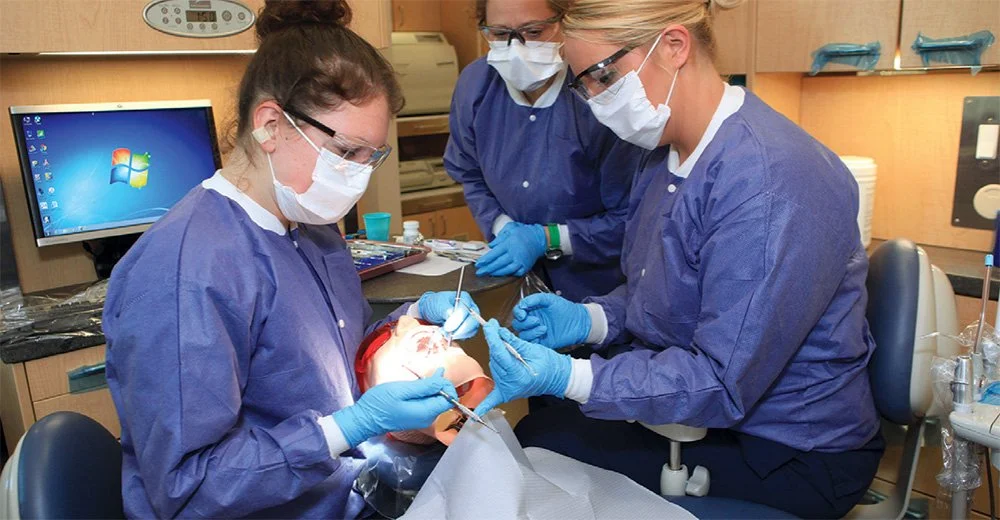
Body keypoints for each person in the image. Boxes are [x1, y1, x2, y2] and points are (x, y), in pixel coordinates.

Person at [473, 0, 884, 517]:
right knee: (535, 434)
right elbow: (665, 286)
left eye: (604, 76)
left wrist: (568, 377)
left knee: (537, 459)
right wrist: (591, 319)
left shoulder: (771, 180)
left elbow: (720, 378)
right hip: (707, 416)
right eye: (584, 84)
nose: (595, 101)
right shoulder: (665, 153)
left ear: (673, 46)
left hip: (789, 449)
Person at [102, 2, 481, 517]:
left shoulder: (309, 226)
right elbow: (188, 487)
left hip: (345, 489)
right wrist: (344, 428)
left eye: (372, 156)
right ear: (271, 125)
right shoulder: (186, 272)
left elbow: (310, 356)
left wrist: (410, 325)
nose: (358, 175)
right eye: (346, 152)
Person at [446, 0, 639, 302]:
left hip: (604, 293)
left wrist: (548, 238)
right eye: (498, 34)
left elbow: (635, 216)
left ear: (566, 21)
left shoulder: (597, 91)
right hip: (515, 287)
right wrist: (502, 226)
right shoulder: (475, 85)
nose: (516, 47)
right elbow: (469, 173)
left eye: (533, 31)